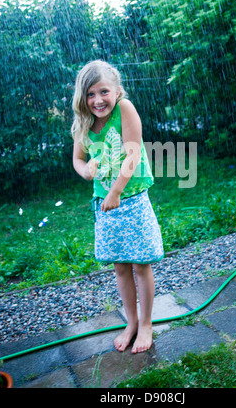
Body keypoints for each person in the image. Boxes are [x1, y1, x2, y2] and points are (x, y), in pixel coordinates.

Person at [71, 60, 164, 353]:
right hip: (105, 203)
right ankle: (132, 321)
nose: (97, 100)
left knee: (140, 263)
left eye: (103, 92)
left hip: (131, 197)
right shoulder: (84, 123)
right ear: (82, 97)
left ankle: (147, 323)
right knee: (121, 267)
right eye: (90, 94)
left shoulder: (125, 109)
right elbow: (78, 159)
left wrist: (115, 192)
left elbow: (133, 154)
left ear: (116, 90)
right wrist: (86, 171)